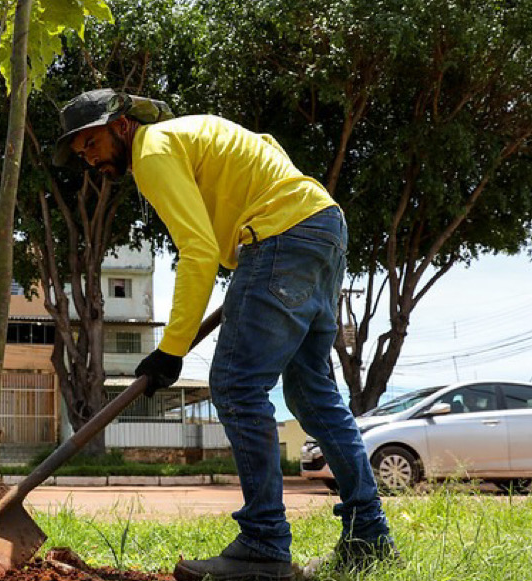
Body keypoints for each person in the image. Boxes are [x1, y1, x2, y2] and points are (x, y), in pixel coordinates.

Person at [53, 89, 397, 581]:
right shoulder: (191, 133)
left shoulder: (152, 150)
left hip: (279, 235)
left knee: (236, 386)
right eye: (81, 152)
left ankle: (263, 545)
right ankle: (370, 539)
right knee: (312, 394)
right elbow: (268, 146)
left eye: (91, 143)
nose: (89, 158)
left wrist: (170, 350)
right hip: (323, 227)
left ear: (122, 126)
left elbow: (197, 251)